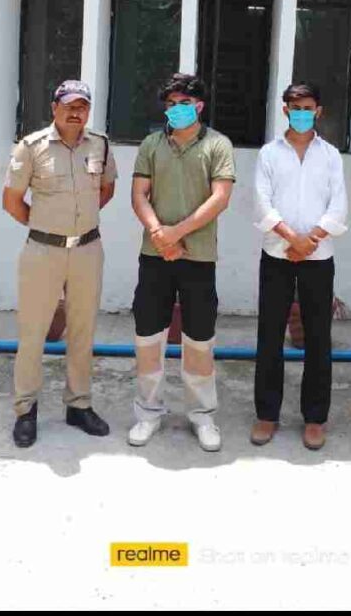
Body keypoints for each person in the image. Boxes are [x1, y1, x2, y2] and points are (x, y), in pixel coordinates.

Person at [3, 79, 117, 448]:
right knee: (33, 333)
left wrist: (77, 223)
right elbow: (12, 200)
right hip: (43, 251)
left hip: (87, 249)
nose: (75, 112)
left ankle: (78, 405)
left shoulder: (99, 145)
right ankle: (26, 410)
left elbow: (106, 189)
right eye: (68, 105)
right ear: (55, 108)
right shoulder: (32, 147)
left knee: (83, 331)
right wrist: (46, 225)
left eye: (82, 106)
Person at [129, 73, 235, 452]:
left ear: (199, 106)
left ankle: (202, 415)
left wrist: (177, 233)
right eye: (171, 104)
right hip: (155, 255)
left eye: (184, 103)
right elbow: (139, 194)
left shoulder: (218, 144)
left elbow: (220, 198)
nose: (177, 109)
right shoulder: (151, 144)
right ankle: (148, 412)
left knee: (199, 338)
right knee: (148, 335)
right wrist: (159, 232)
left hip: (198, 256)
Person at [251, 82, 348, 451]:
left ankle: (315, 418)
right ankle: (267, 414)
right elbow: (262, 203)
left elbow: (339, 205)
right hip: (277, 255)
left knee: (318, 338)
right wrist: (293, 240)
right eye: (296, 107)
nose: (302, 113)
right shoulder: (269, 154)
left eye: (308, 108)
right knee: (270, 335)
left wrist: (311, 240)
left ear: (318, 111)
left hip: (318, 258)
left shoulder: (331, 155)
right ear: (285, 110)